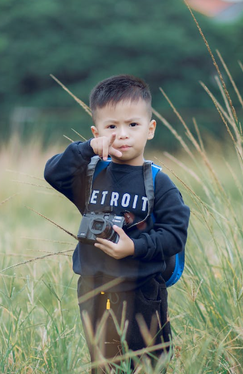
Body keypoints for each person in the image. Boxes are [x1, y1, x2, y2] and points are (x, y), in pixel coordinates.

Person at [44, 74, 190, 372]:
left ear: (150, 130)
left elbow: (174, 236)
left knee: (149, 362)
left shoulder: (159, 183)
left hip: (142, 288)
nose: (122, 134)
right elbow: (53, 174)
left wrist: (134, 247)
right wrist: (87, 149)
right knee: (103, 363)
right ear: (97, 132)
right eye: (112, 127)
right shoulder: (90, 175)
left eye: (132, 125)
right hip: (94, 286)